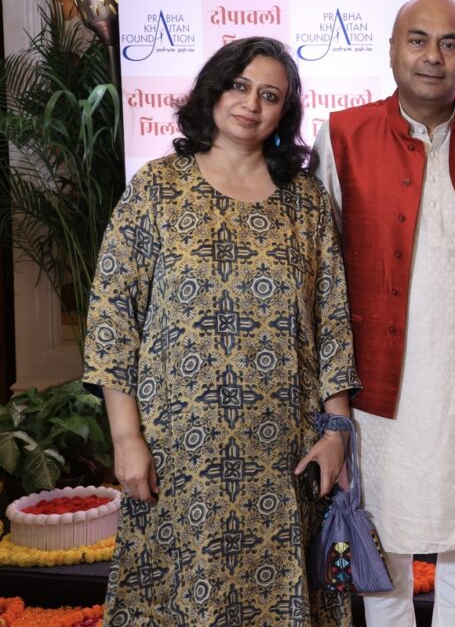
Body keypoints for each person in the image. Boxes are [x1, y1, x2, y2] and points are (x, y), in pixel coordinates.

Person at [84, 37, 361, 627]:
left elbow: (332, 319)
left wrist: (336, 432)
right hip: (179, 450)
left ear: (284, 113)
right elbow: (113, 317)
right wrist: (126, 438)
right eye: (239, 86)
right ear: (213, 89)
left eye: (270, 95)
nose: (250, 104)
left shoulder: (305, 202)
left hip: (285, 452)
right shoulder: (157, 188)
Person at [314, 0, 455, 627]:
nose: (433, 56)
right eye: (417, 40)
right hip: (381, 383)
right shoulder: (343, 134)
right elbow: (322, 268)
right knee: (387, 539)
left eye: (450, 43)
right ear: (392, 50)